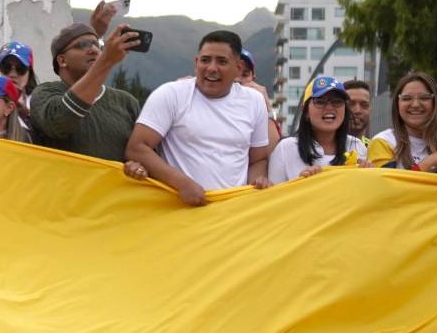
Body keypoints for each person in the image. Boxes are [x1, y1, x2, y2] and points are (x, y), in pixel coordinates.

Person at [125, 30, 270, 206]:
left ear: (238, 68)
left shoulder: (254, 101)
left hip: (233, 214)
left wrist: (254, 186)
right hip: (181, 211)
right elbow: (137, 147)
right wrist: (182, 183)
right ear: (196, 63)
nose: (211, 68)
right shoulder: (171, 94)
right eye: (205, 60)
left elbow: (258, 159)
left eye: (222, 61)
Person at [30, 22, 142, 162]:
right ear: (62, 60)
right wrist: (106, 61)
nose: (94, 50)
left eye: (97, 45)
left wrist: (137, 166)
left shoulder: (127, 102)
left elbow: (142, 151)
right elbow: (59, 123)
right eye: (83, 45)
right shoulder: (45, 93)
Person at [268, 76, 370, 184]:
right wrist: (301, 184)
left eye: (337, 102)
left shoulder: (358, 147)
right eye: (320, 102)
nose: (330, 108)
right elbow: (274, 196)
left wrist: (368, 176)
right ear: (306, 111)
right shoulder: (286, 148)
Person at [367, 72, 437, 173]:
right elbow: (387, 186)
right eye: (407, 98)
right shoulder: (383, 142)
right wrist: (429, 163)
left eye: (424, 98)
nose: (415, 104)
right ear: (397, 105)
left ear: (435, 103)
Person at [239, 49, 281, 151]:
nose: (238, 80)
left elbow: (274, 152)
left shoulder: (257, 108)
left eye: (245, 75)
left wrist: (266, 106)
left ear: (253, 77)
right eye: (233, 73)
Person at [0, 41, 37, 123]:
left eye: (20, 68)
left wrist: (27, 115)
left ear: (29, 73)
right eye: (6, 68)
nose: (12, 74)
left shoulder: (39, 102)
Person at [343, 79, 372, 144]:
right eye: (350, 104)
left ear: (370, 110)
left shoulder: (375, 149)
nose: (357, 111)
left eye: (364, 105)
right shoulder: (321, 149)